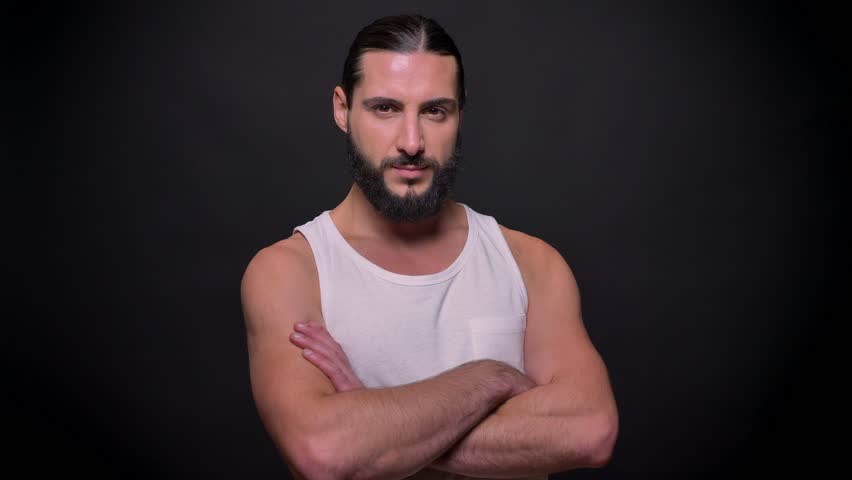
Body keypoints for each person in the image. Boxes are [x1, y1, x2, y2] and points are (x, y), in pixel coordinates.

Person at [240, 14, 618, 480]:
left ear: (460, 113)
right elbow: (325, 451)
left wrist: (375, 424)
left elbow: (590, 431)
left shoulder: (531, 263)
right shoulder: (291, 272)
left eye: (435, 111)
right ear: (343, 109)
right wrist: (488, 379)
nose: (412, 142)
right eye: (385, 108)